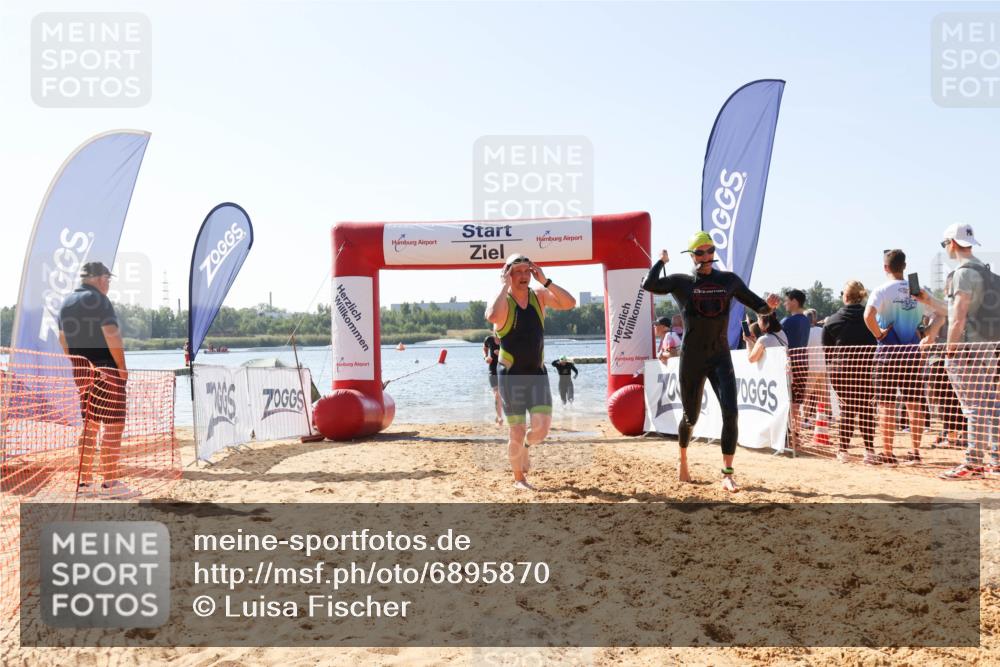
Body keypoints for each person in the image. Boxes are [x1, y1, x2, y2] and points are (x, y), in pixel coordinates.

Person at [642, 232, 780, 492]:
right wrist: (661, 262)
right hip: (692, 358)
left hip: (719, 356)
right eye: (700, 252)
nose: (706, 257)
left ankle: (727, 473)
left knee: (731, 412)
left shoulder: (728, 281)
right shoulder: (681, 282)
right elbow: (649, 285)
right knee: (690, 417)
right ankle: (683, 460)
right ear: (692, 256)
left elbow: (758, 306)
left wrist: (769, 307)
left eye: (709, 251)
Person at [486, 253, 576, 490]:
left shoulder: (539, 297)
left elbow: (570, 303)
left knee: (541, 430)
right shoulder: (504, 301)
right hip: (511, 377)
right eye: (518, 272)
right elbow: (492, 316)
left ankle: (527, 445)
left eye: (527, 271)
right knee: (515, 430)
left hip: (537, 374)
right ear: (508, 274)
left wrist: (546, 281)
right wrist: (503, 285)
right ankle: (519, 479)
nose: (524, 276)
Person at [58, 261, 138, 500]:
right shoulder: (100, 300)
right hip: (106, 370)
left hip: (82, 371)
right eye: (108, 279)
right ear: (100, 278)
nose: (109, 284)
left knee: (90, 425)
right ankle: (110, 483)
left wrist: (77, 364)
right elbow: (111, 334)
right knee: (113, 426)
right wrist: (121, 367)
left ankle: (83, 483)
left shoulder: (66, 303)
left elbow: (62, 339)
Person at [930, 224, 999, 479]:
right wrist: (928, 302)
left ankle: (973, 463)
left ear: (952, 243)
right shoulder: (983, 270)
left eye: (944, 244)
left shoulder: (961, 274)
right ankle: (995, 458)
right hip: (987, 347)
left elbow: (957, 318)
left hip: (966, 350)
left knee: (973, 408)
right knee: (990, 405)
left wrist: (950, 350)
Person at [864, 249, 927, 466]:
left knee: (886, 405)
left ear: (885, 267)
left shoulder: (881, 290)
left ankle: (888, 452)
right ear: (905, 266)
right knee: (914, 404)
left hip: (888, 354)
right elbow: (932, 314)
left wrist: (879, 334)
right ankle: (915, 451)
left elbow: (868, 316)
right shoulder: (917, 288)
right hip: (912, 353)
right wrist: (923, 331)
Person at [822, 281, 878, 464]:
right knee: (866, 409)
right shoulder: (870, 318)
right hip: (867, 370)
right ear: (861, 296)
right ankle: (869, 452)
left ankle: (843, 451)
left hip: (841, 372)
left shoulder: (832, 321)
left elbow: (827, 352)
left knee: (847, 408)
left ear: (845, 296)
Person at [483, 329, 503, 425]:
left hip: (505, 370)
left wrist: (501, 354)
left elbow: (515, 354)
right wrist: (486, 357)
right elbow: (485, 348)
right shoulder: (489, 339)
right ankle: (499, 417)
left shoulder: (507, 339)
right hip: (493, 370)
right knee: (497, 394)